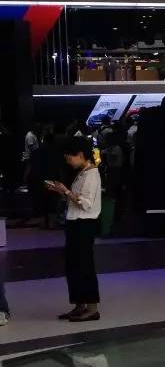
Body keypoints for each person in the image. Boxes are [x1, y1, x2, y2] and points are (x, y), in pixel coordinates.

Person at [43, 138, 102, 322]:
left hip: (85, 224)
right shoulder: (82, 173)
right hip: (75, 223)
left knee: (85, 265)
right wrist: (61, 191)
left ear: (81, 155)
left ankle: (92, 308)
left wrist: (66, 191)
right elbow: (76, 200)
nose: (68, 162)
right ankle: (80, 304)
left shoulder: (92, 174)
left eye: (70, 158)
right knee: (73, 265)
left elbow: (86, 203)